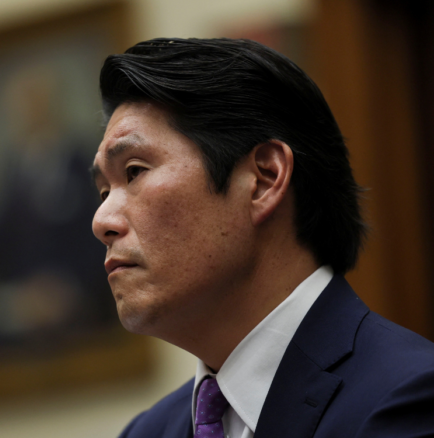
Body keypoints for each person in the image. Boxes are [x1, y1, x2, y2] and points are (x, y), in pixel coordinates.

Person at [90, 38, 434, 438]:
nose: (102, 220)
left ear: (264, 180)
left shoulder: (407, 401)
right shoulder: (147, 432)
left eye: (134, 171)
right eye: (103, 192)